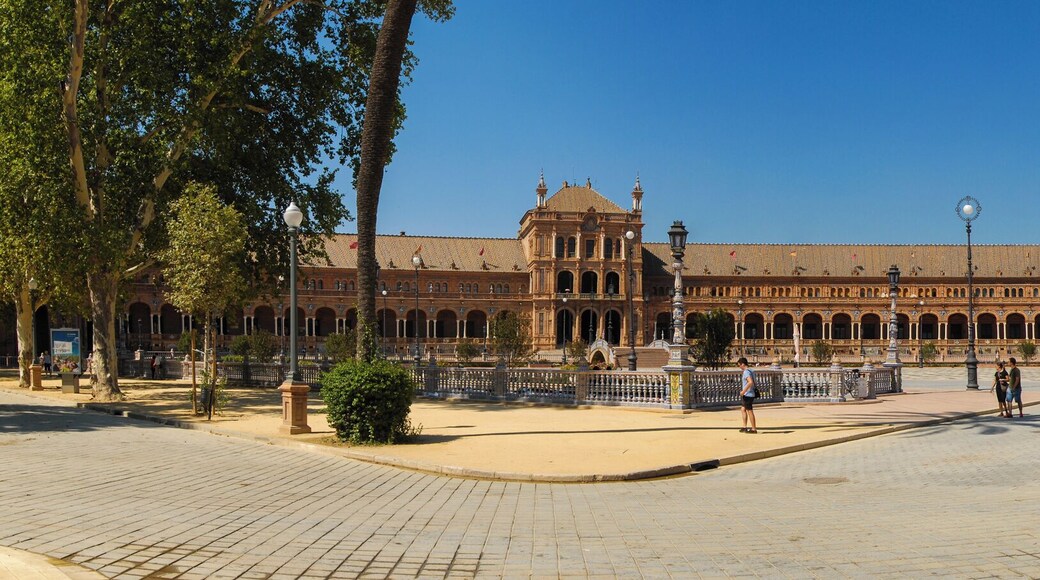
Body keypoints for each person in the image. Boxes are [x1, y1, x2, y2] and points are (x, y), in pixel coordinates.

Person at [737, 356, 758, 433]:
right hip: (750, 393)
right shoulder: (751, 370)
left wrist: (743, 391)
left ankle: (753, 428)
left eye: (739, 365)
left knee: (749, 411)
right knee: (743, 409)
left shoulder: (746, 372)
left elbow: (750, 382)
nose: (739, 367)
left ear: (742, 364)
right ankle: (744, 426)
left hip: (748, 394)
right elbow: (754, 382)